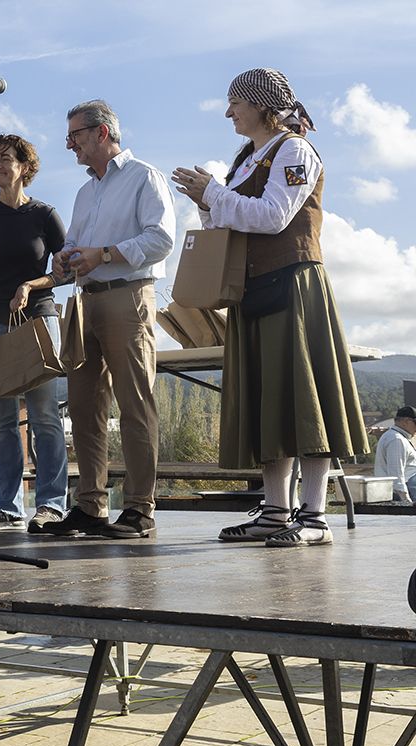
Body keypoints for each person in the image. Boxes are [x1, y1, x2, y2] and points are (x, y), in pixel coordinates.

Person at [172, 68, 368, 546]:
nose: (228, 111)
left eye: (235, 101)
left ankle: (315, 516)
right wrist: (208, 200)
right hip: (254, 288)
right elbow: (228, 218)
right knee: (268, 401)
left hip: (293, 285)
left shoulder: (294, 150)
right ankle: (276, 512)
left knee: (305, 399)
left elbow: (273, 217)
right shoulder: (247, 158)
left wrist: (214, 193)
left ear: (261, 103)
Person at [45, 100, 175, 539]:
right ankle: (90, 506)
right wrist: (66, 259)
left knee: (135, 403)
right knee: (83, 408)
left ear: (102, 133)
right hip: (86, 301)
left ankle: (140, 508)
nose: (69, 145)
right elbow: (79, 244)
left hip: (128, 298)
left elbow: (161, 239)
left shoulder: (144, 177)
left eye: (76, 136)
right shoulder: (85, 192)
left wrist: (105, 254)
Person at [0, 134, 70, 534]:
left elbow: (67, 269)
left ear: (25, 167)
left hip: (37, 320)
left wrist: (31, 284)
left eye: (5, 158)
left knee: (45, 417)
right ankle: (8, 508)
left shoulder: (44, 215)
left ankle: (51, 506)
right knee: (2, 420)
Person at [375, 406, 416, 505]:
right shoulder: (396, 440)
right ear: (406, 421)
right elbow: (396, 474)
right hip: (406, 490)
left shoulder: (396, 436)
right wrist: (406, 501)